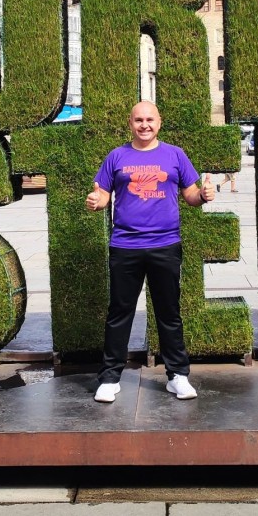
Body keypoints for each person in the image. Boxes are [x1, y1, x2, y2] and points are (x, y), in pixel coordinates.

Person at [86, 101, 215, 403]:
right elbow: (102, 194)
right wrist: (96, 200)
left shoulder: (175, 155)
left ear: (159, 122)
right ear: (130, 123)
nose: (144, 125)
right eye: (138, 120)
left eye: (150, 120)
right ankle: (109, 378)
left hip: (165, 246)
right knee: (119, 313)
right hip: (125, 246)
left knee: (169, 313)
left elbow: (191, 196)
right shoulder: (116, 156)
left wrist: (205, 195)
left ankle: (178, 376)